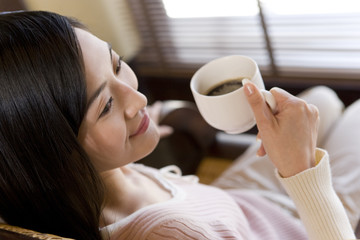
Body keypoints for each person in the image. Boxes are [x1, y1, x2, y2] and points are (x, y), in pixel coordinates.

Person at [0, 10, 358, 240]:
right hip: (305, 224)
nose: (137, 100)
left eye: (116, 64)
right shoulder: (170, 234)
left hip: (246, 207)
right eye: (107, 104)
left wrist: (129, 134)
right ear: (54, 149)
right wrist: (301, 173)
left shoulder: (94, 178)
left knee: (322, 99)